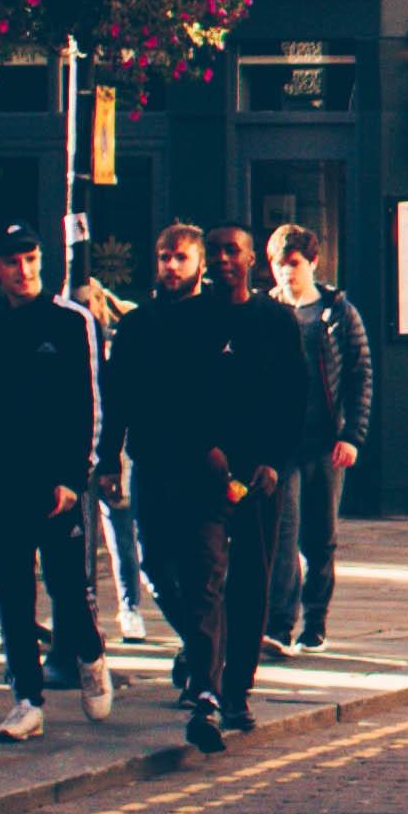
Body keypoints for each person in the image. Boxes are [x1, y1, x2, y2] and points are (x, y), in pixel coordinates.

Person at [112, 225, 311, 764]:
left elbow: (295, 396)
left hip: (262, 476)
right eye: (216, 252)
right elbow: (173, 396)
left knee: (252, 584)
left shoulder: (276, 320)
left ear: (251, 260)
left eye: (232, 251)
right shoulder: (186, 321)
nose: (223, 260)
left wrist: (274, 460)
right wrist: (207, 452)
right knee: (202, 579)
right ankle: (205, 685)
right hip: (201, 473)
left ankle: (236, 694)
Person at [0, 227, 107, 740]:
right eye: (11, 262)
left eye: (30, 259)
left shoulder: (71, 321)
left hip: (55, 484)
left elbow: (89, 403)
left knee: (67, 588)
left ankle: (90, 653)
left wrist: (75, 477)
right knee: (13, 597)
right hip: (1, 484)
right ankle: (26, 698)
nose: (22, 271)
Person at [269, 227, 372, 650]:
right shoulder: (266, 310)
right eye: (279, 264)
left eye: (294, 264)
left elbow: (360, 375)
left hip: (326, 442)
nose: (286, 273)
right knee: (282, 536)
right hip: (281, 444)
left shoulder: (338, 312)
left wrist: (352, 435)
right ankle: (279, 624)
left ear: (313, 263)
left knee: (320, 538)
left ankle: (315, 620)